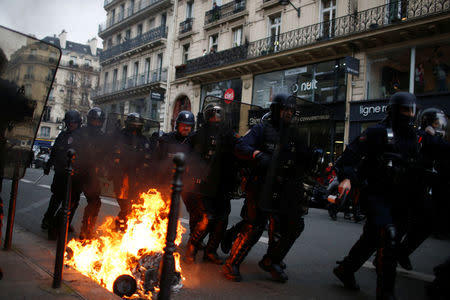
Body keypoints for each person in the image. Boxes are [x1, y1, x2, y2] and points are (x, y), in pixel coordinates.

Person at [333, 92, 423, 299]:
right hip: (375, 194)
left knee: (372, 238)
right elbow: (349, 156)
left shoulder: (413, 138)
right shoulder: (377, 132)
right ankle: (386, 294)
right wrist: (346, 178)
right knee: (388, 236)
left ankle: (345, 269)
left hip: (400, 198)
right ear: (394, 111)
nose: (409, 114)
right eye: (404, 110)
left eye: (412, 110)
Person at [223, 93, 311, 283]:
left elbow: (301, 159)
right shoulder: (262, 129)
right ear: (276, 109)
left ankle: (271, 261)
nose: (288, 113)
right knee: (255, 226)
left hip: (284, 187)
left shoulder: (294, 134)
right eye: (285, 109)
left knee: (293, 225)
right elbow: (240, 147)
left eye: (291, 110)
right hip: (261, 184)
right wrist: (255, 154)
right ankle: (232, 263)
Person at [396, 108, 450, 270]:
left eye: (440, 123)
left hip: (424, 188)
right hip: (409, 185)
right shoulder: (421, 136)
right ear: (427, 123)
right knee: (401, 223)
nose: (439, 126)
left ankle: (401, 251)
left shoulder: (435, 139)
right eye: (436, 123)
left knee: (426, 223)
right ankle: (388, 254)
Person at [185, 103, 239, 265]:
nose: (217, 118)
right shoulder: (198, 135)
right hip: (203, 185)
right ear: (207, 116)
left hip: (222, 185)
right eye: (213, 114)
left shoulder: (228, 134)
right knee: (207, 218)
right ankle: (191, 247)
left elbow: (241, 148)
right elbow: (185, 153)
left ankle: (211, 251)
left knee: (222, 219)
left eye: (219, 114)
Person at [41, 110, 82, 235]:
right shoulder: (62, 135)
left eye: (73, 123)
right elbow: (54, 151)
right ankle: (47, 220)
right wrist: (48, 165)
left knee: (72, 201)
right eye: (69, 122)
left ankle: (65, 223)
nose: (71, 125)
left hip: (74, 175)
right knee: (56, 199)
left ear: (78, 123)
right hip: (60, 173)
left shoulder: (81, 137)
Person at [109, 112, 151, 231]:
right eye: (133, 125)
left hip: (136, 177)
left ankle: (121, 224)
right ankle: (120, 224)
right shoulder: (120, 136)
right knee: (124, 203)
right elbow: (110, 150)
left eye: (137, 126)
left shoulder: (143, 140)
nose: (135, 128)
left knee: (132, 204)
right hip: (121, 175)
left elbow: (148, 159)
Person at [72, 107, 106, 240]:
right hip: (79, 171)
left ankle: (86, 230)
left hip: (91, 174)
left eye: (98, 121)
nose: (96, 123)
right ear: (89, 120)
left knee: (94, 203)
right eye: (94, 120)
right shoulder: (80, 133)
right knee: (71, 201)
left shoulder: (102, 136)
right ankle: (58, 227)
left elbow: (106, 154)